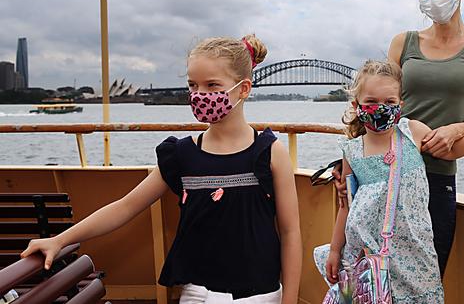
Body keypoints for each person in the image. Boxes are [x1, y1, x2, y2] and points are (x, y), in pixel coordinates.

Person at [21, 35, 302, 304]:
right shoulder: (182, 154)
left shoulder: (269, 152)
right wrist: (60, 240)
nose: (200, 95)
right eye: (193, 86)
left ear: (243, 88)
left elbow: (290, 233)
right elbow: (125, 207)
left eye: (212, 86)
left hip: (259, 294)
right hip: (197, 293)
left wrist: (289, 301)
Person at [331, 0, 464, 277]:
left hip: (437, 174)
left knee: (426, 277)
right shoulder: (403, 42)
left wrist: (456, 130)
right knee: (374, 278)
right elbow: (375, 101)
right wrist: (346, 167)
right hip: (381, 169)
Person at [314, 61, 464, 303]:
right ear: (357, 106)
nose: (381, 109)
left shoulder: (412, 133)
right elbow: (346, 206)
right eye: (371, 103)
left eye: (389, 103)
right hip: (369, 253)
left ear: (401, 105)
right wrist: (335, 250)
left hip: (415, 249)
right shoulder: (352, 151)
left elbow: (450, 151)